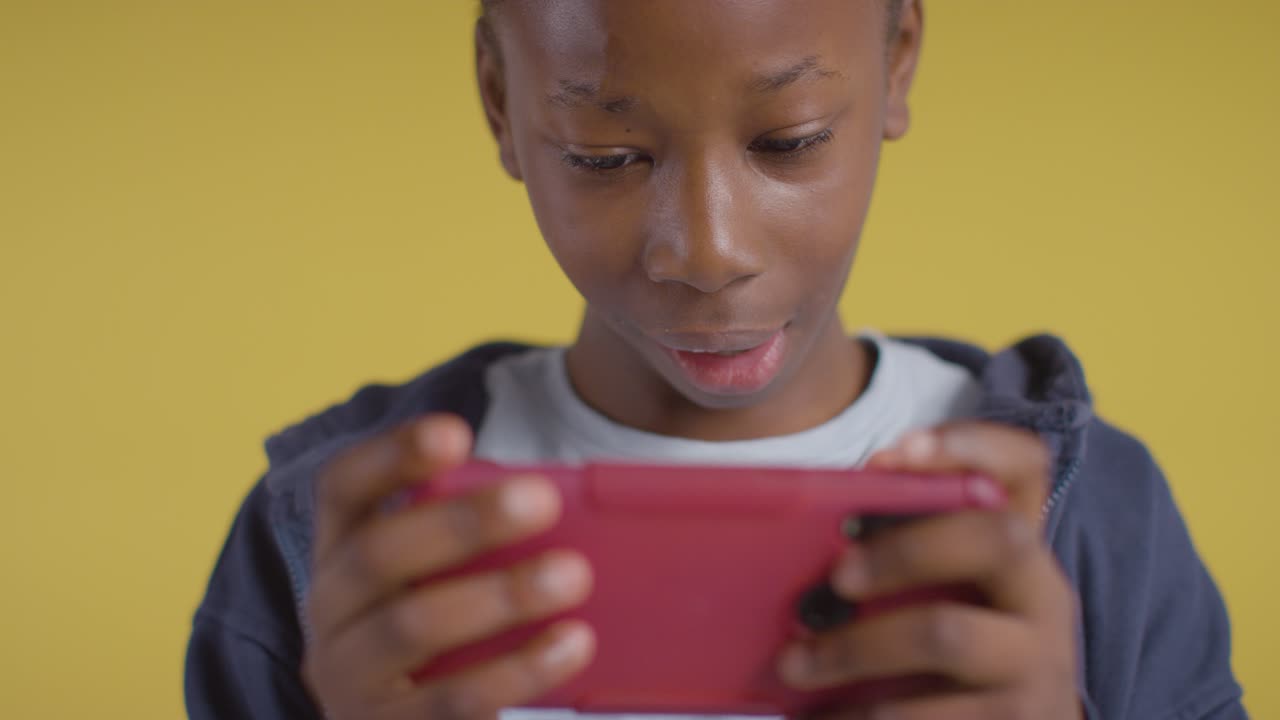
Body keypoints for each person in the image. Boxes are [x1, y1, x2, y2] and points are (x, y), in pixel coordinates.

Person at [184, 1, 1245, 718]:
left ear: (897, 61)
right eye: (604, 155)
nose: (705, 251)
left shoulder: (1091, 524)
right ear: (501, 103)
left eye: (786, 141)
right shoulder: (338, 552)